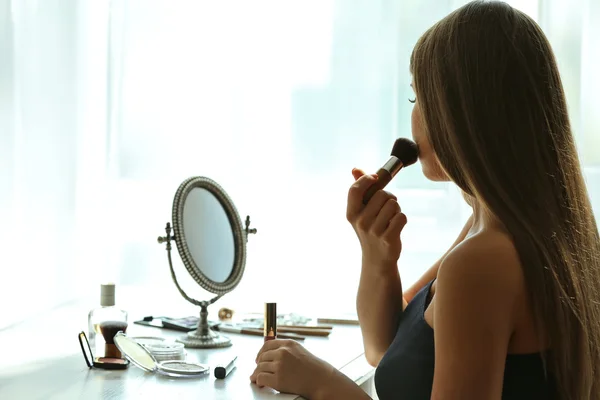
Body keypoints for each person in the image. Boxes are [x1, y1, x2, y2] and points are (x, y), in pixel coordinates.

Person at [249, 1, 600, 399]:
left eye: (417, 98)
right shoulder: (502, 228)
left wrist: (322, 382)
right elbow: (385, 349)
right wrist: (378, 257)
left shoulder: (484, 262)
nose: (412, 116)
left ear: (463, 111)